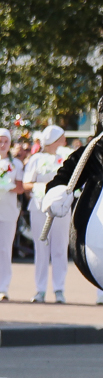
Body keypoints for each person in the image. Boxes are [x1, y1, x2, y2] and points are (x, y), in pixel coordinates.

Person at [22, 125, 70, 303]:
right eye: (62, 138)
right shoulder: (36, 159)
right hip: (39, 207)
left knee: (60, 248)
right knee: (41, 248)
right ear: (53, 140)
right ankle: (40, 289)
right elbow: (26, 184)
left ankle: (59, 289)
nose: (64, 142)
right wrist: (41, 187)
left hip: (61, 208)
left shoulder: (66, 157)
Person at [0, 128, 25, 302]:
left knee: (4, 250)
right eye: (0, 141)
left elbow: (21, 188)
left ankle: (3, 287)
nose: (2, 145)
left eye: (5, 141)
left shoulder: (16, 164)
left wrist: (7, 185)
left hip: (8, 212)